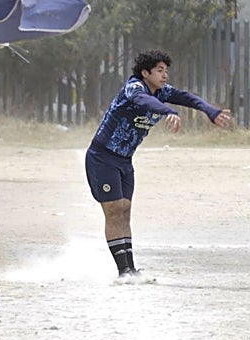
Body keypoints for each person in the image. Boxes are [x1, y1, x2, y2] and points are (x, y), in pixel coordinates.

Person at [86, 49, 231, 281]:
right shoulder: (134, 87)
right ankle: (123, 272)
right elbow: (143, 101)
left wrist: (210, 111)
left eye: (166, 71)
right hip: (102, 157)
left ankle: (131, 270)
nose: (165, 75)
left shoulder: (163, 91)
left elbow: (188, 98)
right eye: (159, 71)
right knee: (113, 211)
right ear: (145, 73)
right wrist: (168, 110)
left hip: (125, 160)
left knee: (125, 210)